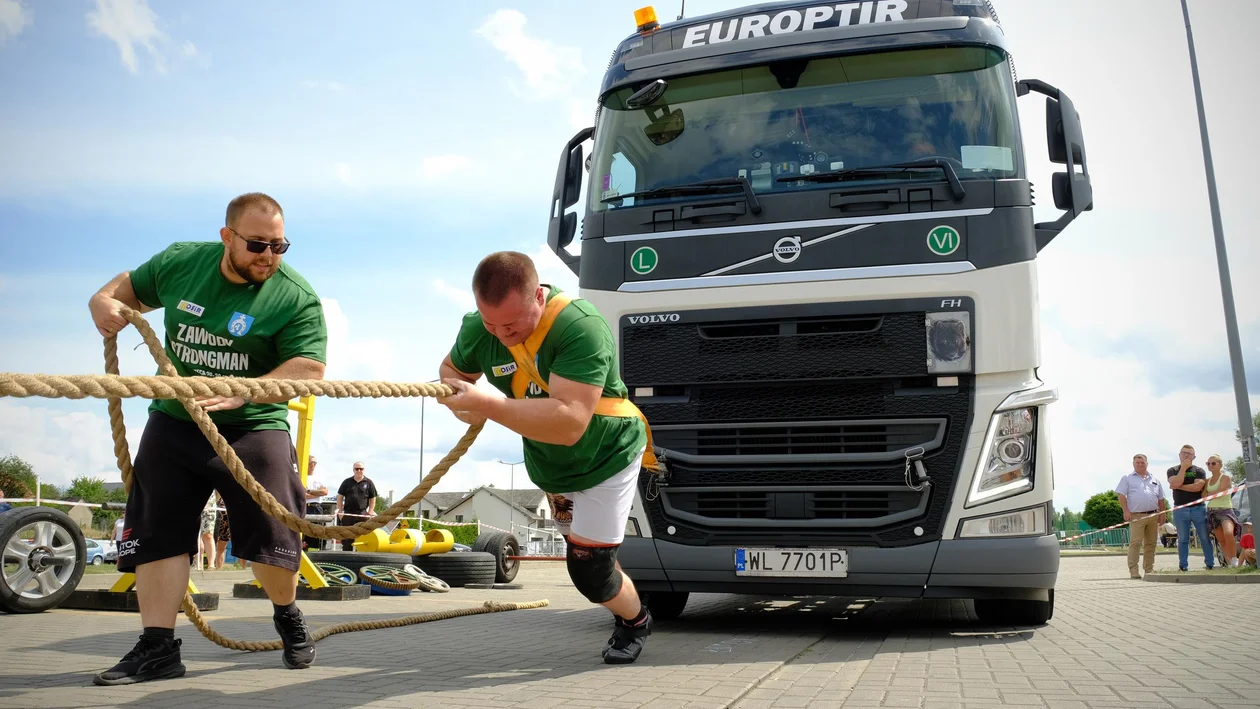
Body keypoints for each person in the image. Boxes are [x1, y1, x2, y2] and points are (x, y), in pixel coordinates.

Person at [86, 192, 328, 685]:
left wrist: (246, 392)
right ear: (227, 236)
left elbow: (310, 368)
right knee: (156, 533)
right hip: (176, 419)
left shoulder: (296, 296)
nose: (269, 256)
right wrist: (101, 303)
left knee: (274, 534)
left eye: (280, 246)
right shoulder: (181, 262)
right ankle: (158, 649)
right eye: (258, 244)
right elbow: (119, 292)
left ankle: (287, 615)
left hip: (254, 423)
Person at [434, 251, 659, 664]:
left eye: (512, 323)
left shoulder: (580, 327)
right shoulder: (479, 328)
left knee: (589, 571)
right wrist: (458, 396)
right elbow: (453, 371)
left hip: (605, 457)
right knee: (588, 550)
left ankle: (635, 620)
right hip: (551, 466)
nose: (501, 334)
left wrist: (485, 404)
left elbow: (569, 422)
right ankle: (611, 567)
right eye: (491, 324)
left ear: (538, 296)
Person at [1114, 453, 1167, 578]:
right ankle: (1133, 570)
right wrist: (1126, 511)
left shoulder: (1155, 480)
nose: (1140, 464)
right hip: (1136, 516)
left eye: (1142, 462)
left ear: (1147, 464)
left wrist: (1162, 514)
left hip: (1153, 515)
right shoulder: (1127, 478)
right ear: (1133, 464)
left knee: (1151, 543)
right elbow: (1121, 495)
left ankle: (1149, 569)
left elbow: (1161, 499)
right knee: (1135, 543)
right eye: (1137, 462)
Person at [1167, 444, 1214, 571]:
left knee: (1204, 537)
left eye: (1189, 453)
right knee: (1183, 539)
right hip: (1180, 509)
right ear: (1179, 455)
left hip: (1198, 508)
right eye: (1184, 453)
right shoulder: (1172, 470)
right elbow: (1174, 482)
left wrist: (1178, 486)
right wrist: (1183, 469)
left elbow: (1197, 487)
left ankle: (1210, 564)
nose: (1186, 455)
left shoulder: (1199, 471)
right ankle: (1183, 566)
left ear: (1194, 456)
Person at [1203, 455, 1241, 567]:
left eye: (1213, 463)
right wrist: (1209, 495)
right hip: (1212, 511)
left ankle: (1234, 559)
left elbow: (1221, 490)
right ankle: (1229, 563)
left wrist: (1209, 494)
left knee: (1228, 533)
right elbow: (1203, 495)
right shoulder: (1207, 481)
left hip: (1225, 510)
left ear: (1220, 465)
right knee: (1221, 540)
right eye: (1208, 463)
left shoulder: (1225, 478)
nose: (1210, 465)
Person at [335, 462, 377, 551]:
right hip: (348, 514)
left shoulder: (369, 482)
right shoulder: (347, 482)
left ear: (364, 470)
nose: (359, 470)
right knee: (347, 540)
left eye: (361, 469)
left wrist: (370, 512)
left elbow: (373, 499)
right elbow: (339, 497)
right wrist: (340, 512)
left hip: (362, 515)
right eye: (356, 468)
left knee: (363, 539)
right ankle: (346, 560)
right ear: (353, 470)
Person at [302, 455, 329, 552]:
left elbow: (325, 492)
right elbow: (301, 494)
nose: (312, 465)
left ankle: (317, 555)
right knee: (303, 531)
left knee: (317, 532)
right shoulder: (300, 476)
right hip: (303, 506)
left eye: (314, 463)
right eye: (310, 463)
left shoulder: (319, 477)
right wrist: (317, 493)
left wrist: (309, 491)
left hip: (315, 507)